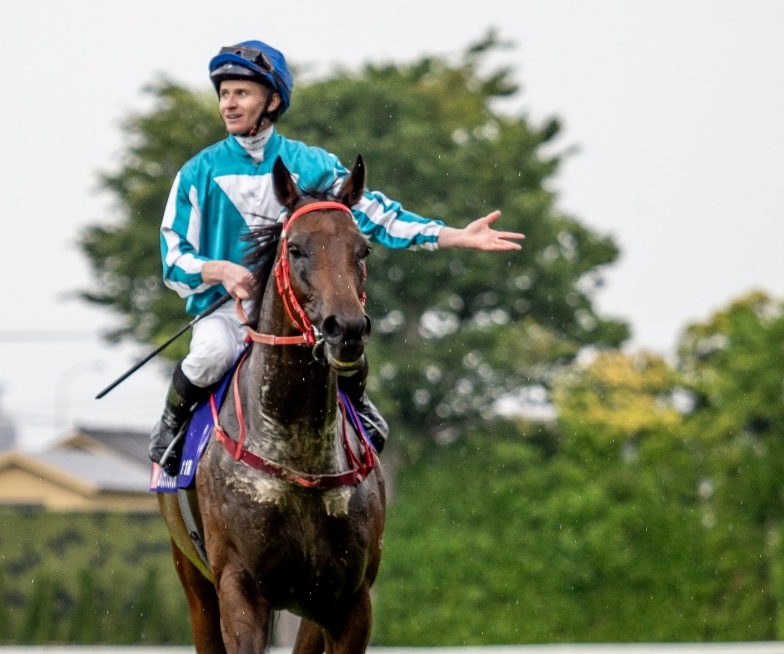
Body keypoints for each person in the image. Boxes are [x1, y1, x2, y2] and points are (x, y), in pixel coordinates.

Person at [150, 41, 524, 473]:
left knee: (347, 337)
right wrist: (218, 269)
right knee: (211, 353)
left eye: (241, 94)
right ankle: (170, 426)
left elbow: (379, 216)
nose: (229, 105)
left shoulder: (310, 163)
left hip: (303, 312)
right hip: (226, 315)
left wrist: (453, 236)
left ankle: (358, 406)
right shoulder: (198, 172)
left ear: (272, 101)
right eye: (224, 94)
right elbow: (173, 259)